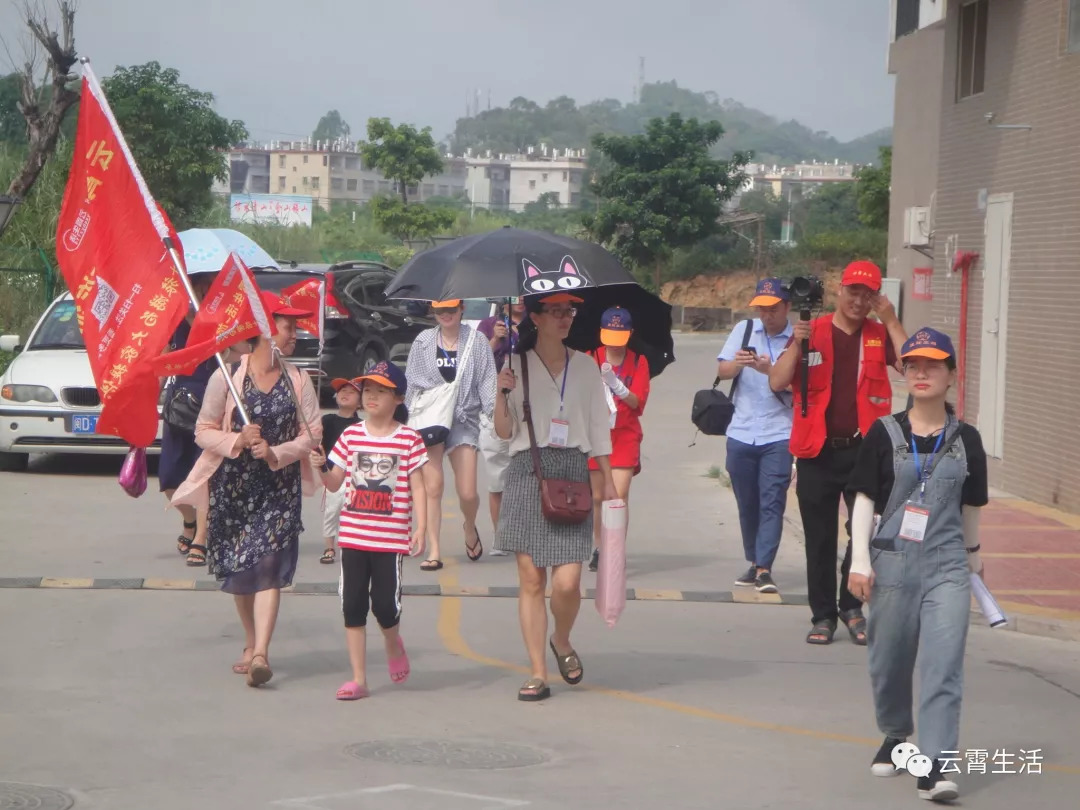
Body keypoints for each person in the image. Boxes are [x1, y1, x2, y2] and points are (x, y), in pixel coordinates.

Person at [846, 328, 987, 802]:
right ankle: (894, 732)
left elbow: (971, 508)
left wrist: (974, 562)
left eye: (932, 365)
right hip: (892, 561)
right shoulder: (883, 433)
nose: (921, 373)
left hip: (947, 564)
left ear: (951, 374)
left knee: (943, 664)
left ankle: (936, 765)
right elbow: (864, 498)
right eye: (912, 365)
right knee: (889, 660)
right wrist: (860, 562)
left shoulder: (968, 439)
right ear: (904, 373)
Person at [172, 290, 322, 687]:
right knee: (240, 567)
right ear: (265, 330)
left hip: (278, 486)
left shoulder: (299, 379)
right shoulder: (227, 377)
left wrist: (277, 452)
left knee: (269, 568)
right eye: (288, 327)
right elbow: (203, 431)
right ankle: (250, 638)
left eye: (294, 327)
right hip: (233, 486)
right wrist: (236, 440)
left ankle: (261, 653)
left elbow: (312, 434)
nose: (294, 334)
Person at [769, 261, 907, 645]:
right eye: (853, 292)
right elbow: (777, 381)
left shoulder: (879, 335)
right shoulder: (812, 331)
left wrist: (892, 319)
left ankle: (851, 608)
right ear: (839, 291)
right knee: (819, 537)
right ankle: (823, 616)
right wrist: (797, 344)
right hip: (817, 451)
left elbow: (912, 367)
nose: (859, 301)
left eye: (868, 294)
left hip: (864, 452)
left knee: (861, 532)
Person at [493, 292, 617, 702]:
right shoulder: (514, 364)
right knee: (531, 580)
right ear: (535, 316)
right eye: (556, 311)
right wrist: (500, 392)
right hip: (528, 470)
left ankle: (561, 639)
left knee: (568, 581)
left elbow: (599, 427)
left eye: (570, 311)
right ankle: (537, 672)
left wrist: (610, 483)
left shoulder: (585, 366)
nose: (565, 318)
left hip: (572, 473)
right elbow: (503, 432)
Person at [309, 361, 428, 701]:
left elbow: (418, 485)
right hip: (354, 537)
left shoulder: (408, 439)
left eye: (381, 391)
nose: (372, 397)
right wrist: (322, 468)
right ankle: (359, 679)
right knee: (353, 604)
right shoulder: (350, 435)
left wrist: (421, 526)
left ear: (398, 399)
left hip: (390, 539)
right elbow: (334, 484)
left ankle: (393, 643)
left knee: (386, 606)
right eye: (368, 391)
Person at [405, 299, 497, 571]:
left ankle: (469, 525)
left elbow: (487, 382)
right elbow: (412, 383)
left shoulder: (477, 341)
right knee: (433, 488)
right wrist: (406, 421)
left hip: (463, 421)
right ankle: (434, 550)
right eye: (439, 310)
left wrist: (497, 415)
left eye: (451, 309)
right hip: (430, 419)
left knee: (468, 492)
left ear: (461, 309)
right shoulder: (423, 340)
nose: (445, 315)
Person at [715, 279, 794, 594]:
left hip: (779, 432)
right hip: (741, 431)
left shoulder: (796, 341)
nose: (768, 315)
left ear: (787, 307)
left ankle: (764, 568)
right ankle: (754, 560)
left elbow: (801, 386)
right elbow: (722, 370)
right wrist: (738, 363)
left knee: (772, 500)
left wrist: (769, 370)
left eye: (774, 309)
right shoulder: (744, 330)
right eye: (763, 308)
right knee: (747, 501)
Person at [159, 271, 218, 567]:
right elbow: (162, 358)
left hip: (212, 407)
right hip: (178, 406)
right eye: (201, 287)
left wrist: (201, 321)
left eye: (210, 288)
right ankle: (191, 520)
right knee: (169, 477)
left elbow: (232, 353)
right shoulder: (173, 318)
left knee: (204, 477)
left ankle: (201, 539)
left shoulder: (220, 318)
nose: (205, 292)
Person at [586, 306, 650, 573]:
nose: (613, 345)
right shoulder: (590, 357)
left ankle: (615, 550)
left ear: (629, 334)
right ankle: (600, 547)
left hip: (624, 435)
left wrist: (617, 385)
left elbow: (638, 403)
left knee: (618, 496)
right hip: (596, 434)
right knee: (598, 497)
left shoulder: (638, 362)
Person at [476, 298, 527, 556]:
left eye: (523, 295)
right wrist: (495, 340)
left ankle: (523, 532)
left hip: (526, 407)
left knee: (524, 477)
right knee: (497, 479)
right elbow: (474, 363)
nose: (520, 300)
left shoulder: (535, 324)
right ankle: (500, 536)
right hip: (494, 407)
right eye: (514, 296)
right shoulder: (488, 325)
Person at [318, 378, 362, 564]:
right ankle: (329, 546)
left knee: (354, 511)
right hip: (332, 473)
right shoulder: (327, 420)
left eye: (351, 392)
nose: (344, 394)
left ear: (360, 401)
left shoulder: (361, 425)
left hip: (355, 475)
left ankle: (355, 545)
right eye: (342, 391)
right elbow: (318, 442)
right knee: (332, 510)